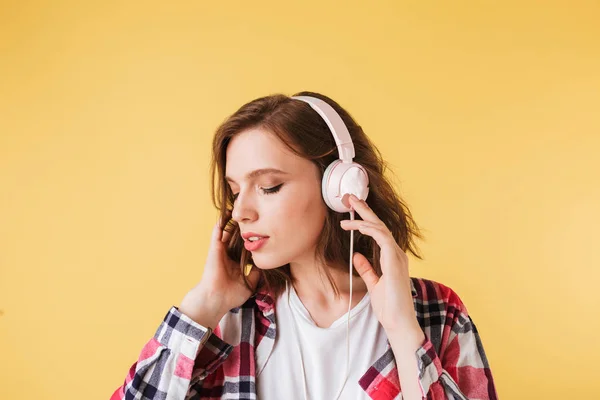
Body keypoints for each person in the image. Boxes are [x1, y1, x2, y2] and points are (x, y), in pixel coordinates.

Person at [110, 91, 498, 400]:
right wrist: (203, 305)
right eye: (234, 190)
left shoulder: (437, 314)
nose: (241, 210)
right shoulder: (228, 323)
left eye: (268, 187)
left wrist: (401, 329)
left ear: (339, 185)